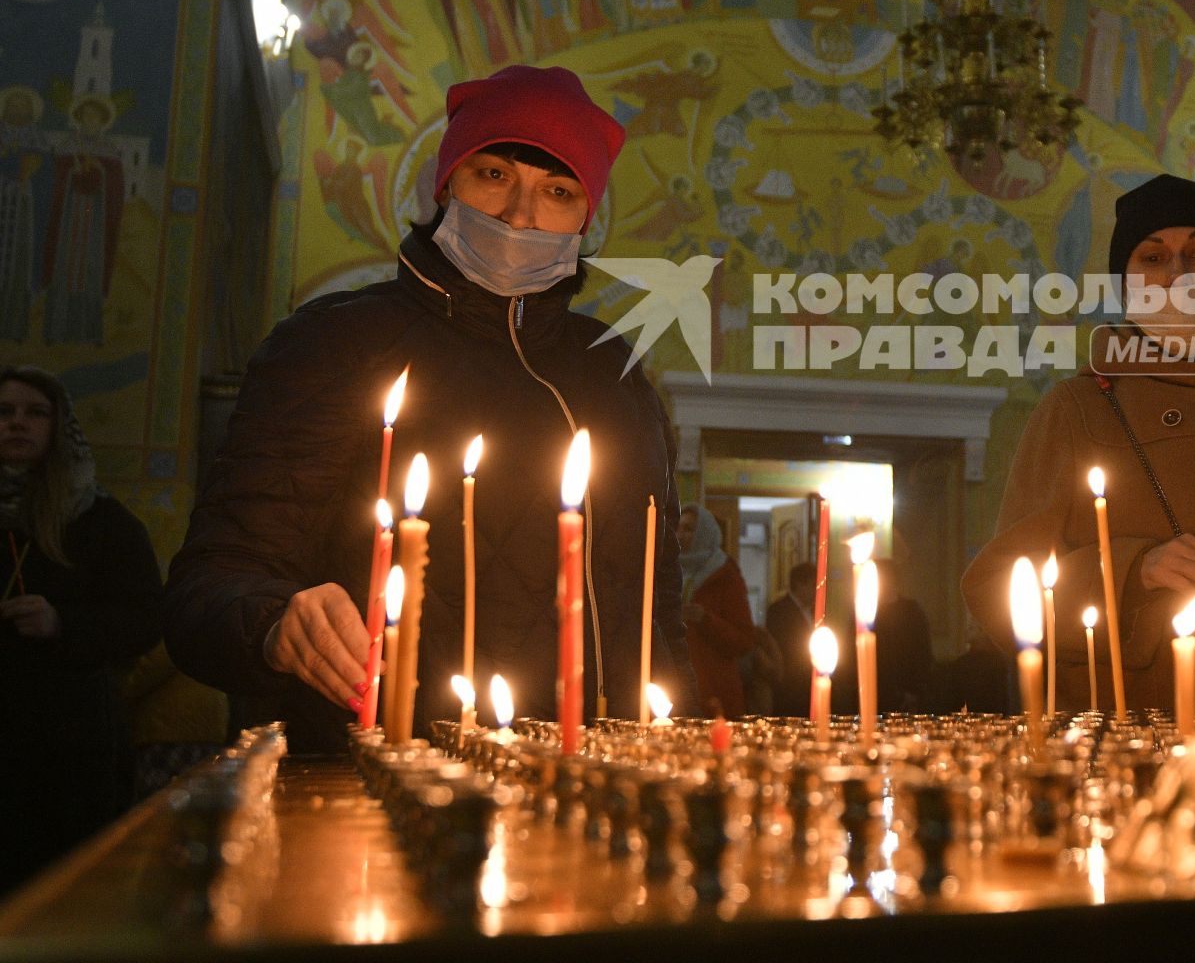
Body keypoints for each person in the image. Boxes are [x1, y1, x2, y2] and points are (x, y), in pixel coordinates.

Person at [165, 65, 689, 751]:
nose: (520, 215)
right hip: (391, 780)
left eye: (557, 192)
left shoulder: (613, 372)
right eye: (493, 174)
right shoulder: (337, 344)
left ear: (585, 219)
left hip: (592, 790)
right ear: (445, 186)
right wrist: (273, 622)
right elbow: (207, 589)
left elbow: (657, 610)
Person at [960, 174, 1195, 713]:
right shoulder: (1077, 408)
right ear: (1127, 284)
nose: (1180, 275)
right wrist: (1134, 569)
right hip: (1135, 726)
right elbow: (1000, 589)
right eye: (1154, 258)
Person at [0, 367, 163, 893]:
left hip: (66, 738)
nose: (17, 424)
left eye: (34, 413)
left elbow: (144, 618)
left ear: (57, 426)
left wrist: (62, 623)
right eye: (4, 412)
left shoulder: (100, 523)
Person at [679, 504, 753, 717]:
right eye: (679, 528)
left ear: (705, 532)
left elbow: (744, 639)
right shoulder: (669, 570)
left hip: (714, 689)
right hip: (678, 684)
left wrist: (705, 619)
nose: (681, 535)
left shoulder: (725, 575)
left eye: (689, 529)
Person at [873, 557, 933, 711]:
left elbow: (922, 652)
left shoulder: (911, 611)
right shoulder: (865, 614)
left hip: (905, 691)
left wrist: (914, 690)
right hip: (874, 691)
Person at [764, 559, 814, 716]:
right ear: (800, 584)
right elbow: (781, 646)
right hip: (790, 683)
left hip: (809, 683)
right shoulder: (779, 611)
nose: (816, 591)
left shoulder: (814, 611)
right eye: (813, 586)